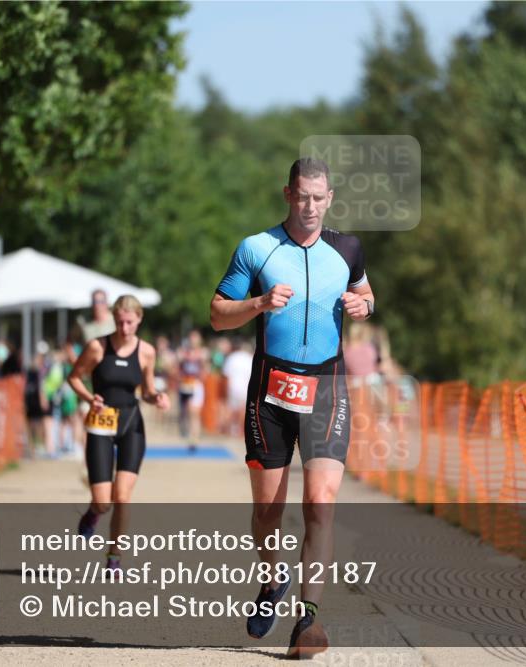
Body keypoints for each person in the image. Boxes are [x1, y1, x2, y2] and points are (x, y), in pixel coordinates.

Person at [210, 156, 375, 658]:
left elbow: (366, 293)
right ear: (288, 194)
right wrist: (258, 304)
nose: (309, 205)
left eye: (318, 197)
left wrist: (362, 305)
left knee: (319, 505)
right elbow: (218, 316)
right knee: (268, 510)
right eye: (301, 195)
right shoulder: (256, 249)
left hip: (326, 389)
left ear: (329, 200)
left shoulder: (347, 248)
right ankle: (271, 579)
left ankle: (310, 620)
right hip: (270, 394)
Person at [68, 295, 171, 570]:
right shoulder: (97, 347)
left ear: (139, 320)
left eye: (129, 322)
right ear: (113, 320)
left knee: (122, 497)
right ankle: (93, 512)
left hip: (131, 425)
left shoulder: (147, 351)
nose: (124, 328)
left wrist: (157, 397)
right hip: (101, 423)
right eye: (119, 322)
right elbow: (74, 376)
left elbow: (147, 391)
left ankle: (115, 555)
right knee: (104, 502)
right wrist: (90, 398)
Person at [176, 330, 208, 450]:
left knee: (194, 412)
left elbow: (205, 369)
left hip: (196, 384)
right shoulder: (183, 352)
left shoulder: (203, 353)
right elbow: (178, 368)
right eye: (191, 338)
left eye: (196, 338)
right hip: (184, 384)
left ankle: (194, 439)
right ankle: (188, 433)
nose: (193, 341)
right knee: (185, 412)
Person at [222, 339, 253, 436]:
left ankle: (228, 428)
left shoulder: (231, 358)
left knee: (230, 408)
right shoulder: (248, 357)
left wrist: (225, 390)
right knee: (242, 409)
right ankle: (240, 429)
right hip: (245, 386)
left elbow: (226, 375)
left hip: (233, 387)